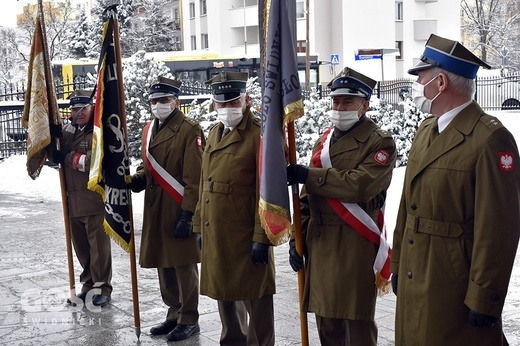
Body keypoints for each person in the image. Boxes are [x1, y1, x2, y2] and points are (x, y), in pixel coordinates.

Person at [391, 34, 520, 345]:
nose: (417, 83)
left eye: (421, 75)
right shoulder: (426, 130)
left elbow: (498, 229)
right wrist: (397, 264)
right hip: (416, 274)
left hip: (453, 284)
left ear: (440, 82)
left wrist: (485, 296)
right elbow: (407, 207)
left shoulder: (489, 139)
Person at [286, 67, 397, 345]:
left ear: (364, 105)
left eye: (348, 101)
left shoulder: (379, 141)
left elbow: (359, 185)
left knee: (356, 327)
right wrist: (295, 238)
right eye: (336, 101)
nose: (340, 107)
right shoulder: (323, 140)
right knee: (328, 327)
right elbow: (306, 199)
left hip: (353, 245)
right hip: (320, 245)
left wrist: (309, 176)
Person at [193, 71, 276, 346]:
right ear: (214, 104)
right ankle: (232, 341)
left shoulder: (259, 135)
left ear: (246, 100)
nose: (227, 109)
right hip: (217, 232)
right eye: (222, 103)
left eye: (233, 102)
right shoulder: (215, 133)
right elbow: (204, 183)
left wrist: (262, 238)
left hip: (246, 234)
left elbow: (267, 191)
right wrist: (198, 224)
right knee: (224, 294)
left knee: (257, 298)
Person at [129, 76, 204, 342]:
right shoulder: (150, 128)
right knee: (164, 263)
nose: (158, 105)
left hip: (178, 206)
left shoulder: (189, 129)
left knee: (183, 265)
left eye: (163, 100)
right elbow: (147, 164)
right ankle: (174, 313)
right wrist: (138, 178)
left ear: (176, 101)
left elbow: (195, 178)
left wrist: (188, 213)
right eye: (154, 101)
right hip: (155, 207)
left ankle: (189, 318)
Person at [50, 89, 113, 307]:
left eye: (83, 108)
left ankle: (103, 287)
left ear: (92, 108)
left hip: (93, 200)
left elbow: (94, 162)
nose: (79, 113)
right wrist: (51, 139)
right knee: (81, 248)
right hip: (73, 201)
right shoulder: (68, 131)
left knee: (99, 249)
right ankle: (87, 285)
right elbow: (55, 154)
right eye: (75, 109)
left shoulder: (99, 131)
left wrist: (65, 157)